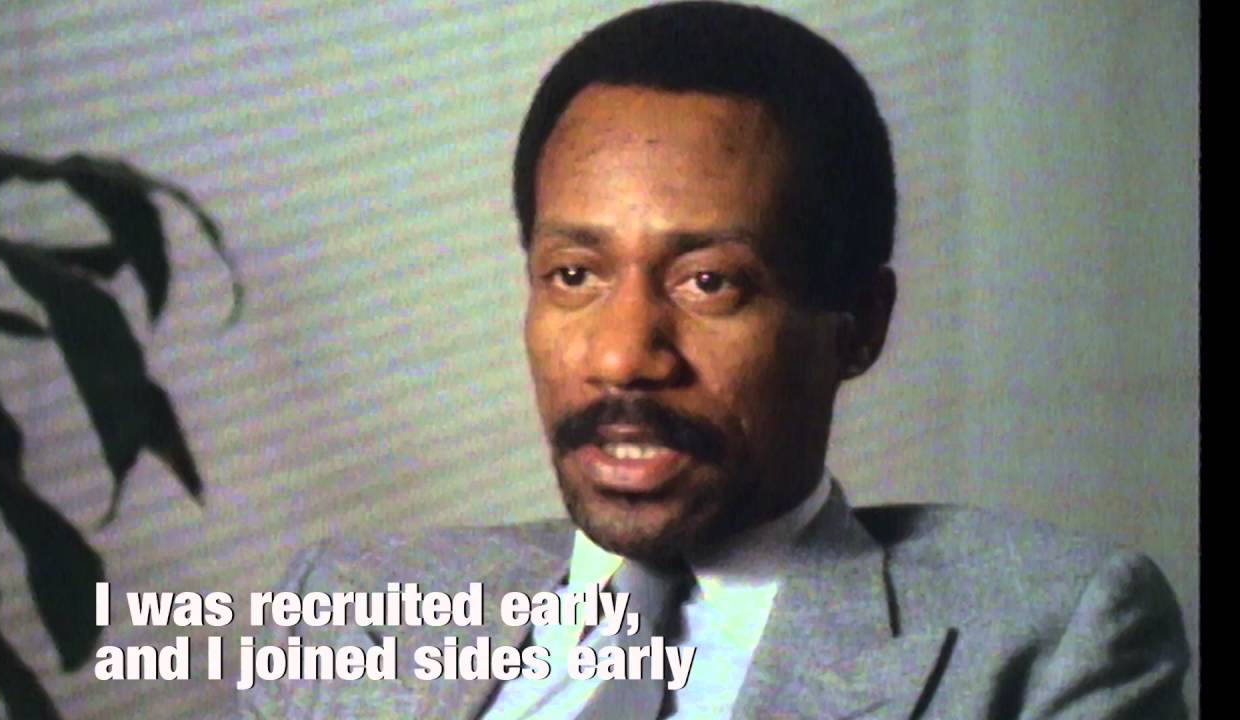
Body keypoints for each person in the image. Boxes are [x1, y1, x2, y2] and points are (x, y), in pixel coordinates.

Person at [233, 3, 1189, 717]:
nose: (621, 356)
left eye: (709, 283)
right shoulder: (352, 610)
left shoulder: (1049, 638)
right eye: (574, 274)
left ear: (858, 325)